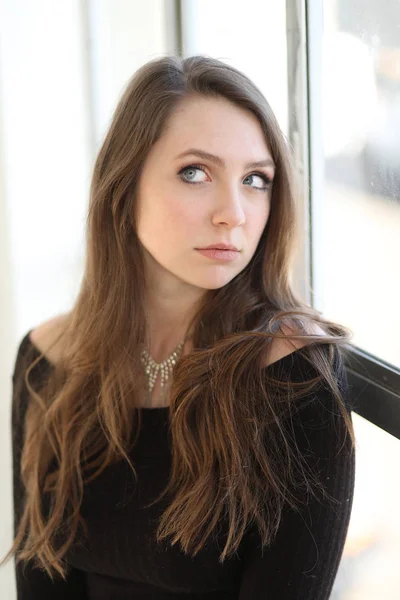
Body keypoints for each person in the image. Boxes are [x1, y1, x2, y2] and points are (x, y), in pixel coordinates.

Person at [3, 55, 356, 599]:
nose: (233, 213)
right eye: (195, 172)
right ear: (125, 184)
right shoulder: (47, 362)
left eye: (256, 180)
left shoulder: (295, 378)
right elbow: (39, 582)